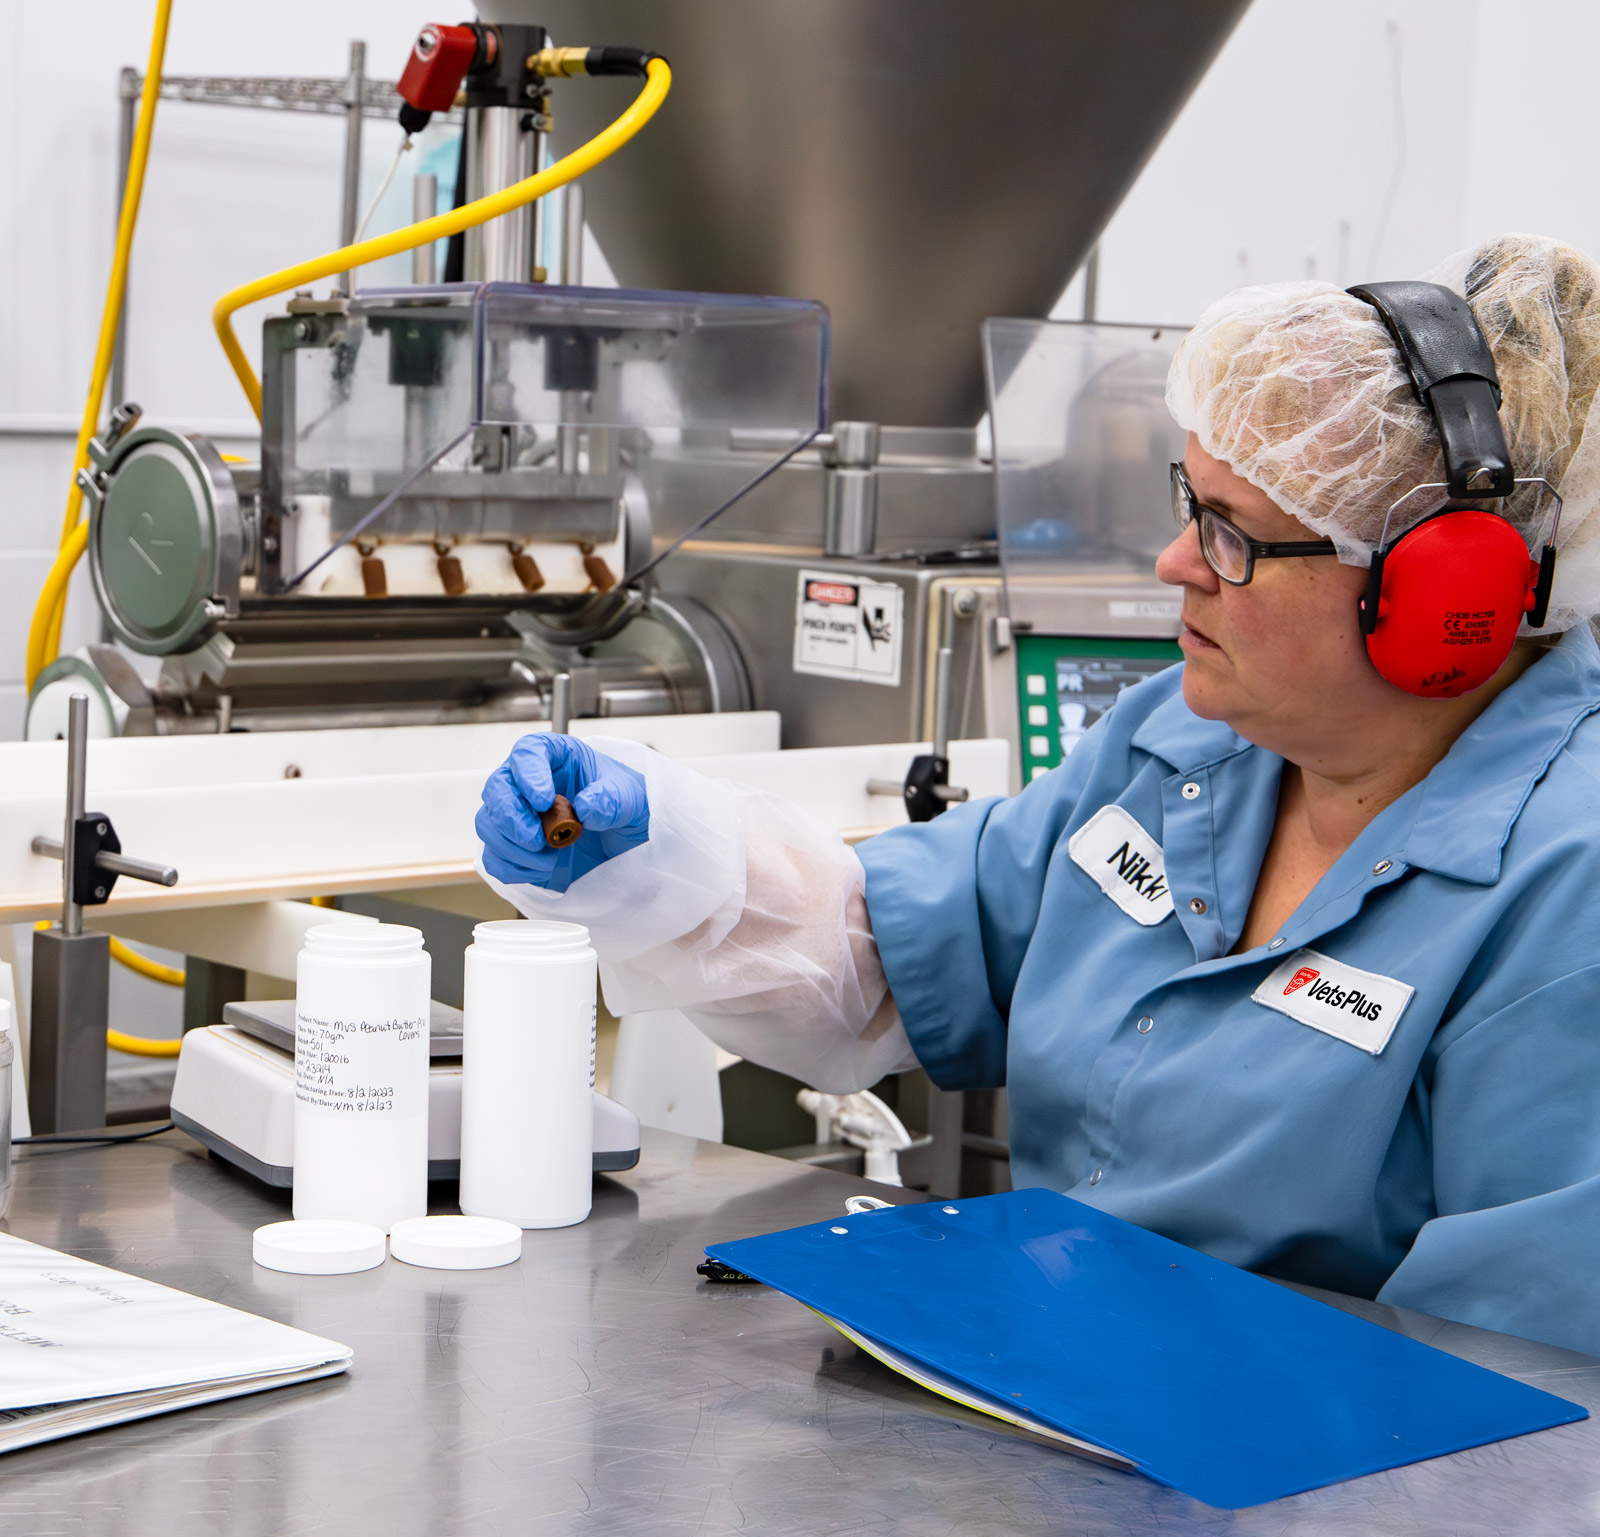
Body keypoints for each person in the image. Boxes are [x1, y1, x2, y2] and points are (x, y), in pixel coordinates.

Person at [477, 234, 1600, 1357]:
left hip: (1319, 1493)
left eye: (1230, 535)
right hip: (1063, 1408)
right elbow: (895, 950)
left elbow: (1523, 1385)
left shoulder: (1567, 883)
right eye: (1185, 502)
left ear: (1442, 596)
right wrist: (661, 851)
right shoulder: (1183, 741)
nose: (1173, 564)